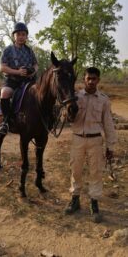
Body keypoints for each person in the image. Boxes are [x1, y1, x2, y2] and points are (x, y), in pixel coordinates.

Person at [65, 67, 117, 223]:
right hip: (77, 139)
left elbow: (108, 123)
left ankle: (94, 204)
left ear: (98, 80)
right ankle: (75, 200)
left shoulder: (103, 100)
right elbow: (65, 117)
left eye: (94, 79)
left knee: (96, 172)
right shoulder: (75, 97)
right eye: (88, 78)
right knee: (76, 170)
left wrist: (110, 146)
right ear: (84, 80)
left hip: (95, 140)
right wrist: (68, 113)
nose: (91, 81)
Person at [0, 22, 38, 135]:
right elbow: (2, 67)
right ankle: (5, 122)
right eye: (18, 34)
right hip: (12, 81)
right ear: (14, 36)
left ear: (26, 36)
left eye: (23, 34)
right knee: (5, 92)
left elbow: (36, 65)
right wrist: (18, 72)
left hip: (28, 81)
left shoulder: (29, 51)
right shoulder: (8, 50)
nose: (21, 37)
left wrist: (32, 71)